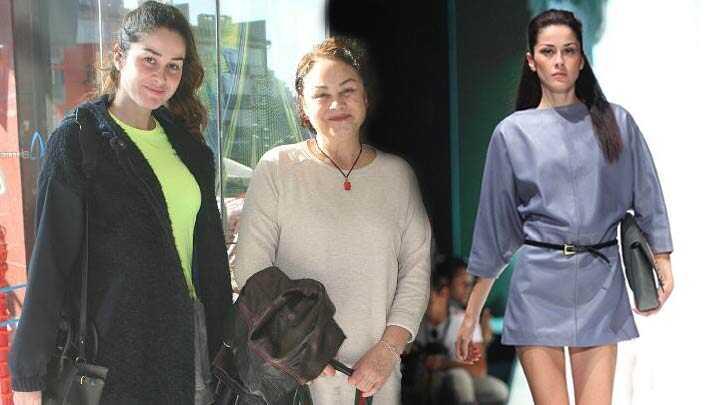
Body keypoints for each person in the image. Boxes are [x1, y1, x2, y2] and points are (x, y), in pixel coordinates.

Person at [9, 2, 232, 404]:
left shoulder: (190, 149)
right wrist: (28, 375)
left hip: (192, 340)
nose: (161, 77)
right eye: (150, 59)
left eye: (174, 66)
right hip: (116, 352)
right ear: (119, 56)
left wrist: (226, 341)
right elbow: (50, 262)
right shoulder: (79, 141)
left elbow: (208, 255)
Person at [455, 9, 674, 405]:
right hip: (539, 286)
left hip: (600, 282)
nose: (559, 61)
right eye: (548, 51)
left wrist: (662, 259)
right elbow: (495, 231)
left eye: (569, 51)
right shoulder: (512, 134)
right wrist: (471, 315)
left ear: (581, 59)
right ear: (531, 60)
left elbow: (647, 194)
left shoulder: (616, 123)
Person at [231, 36, 431, 404]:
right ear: (303, 107)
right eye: (321, 95)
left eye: (347, 90)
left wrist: (388, 350)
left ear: (365, 98)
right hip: (293, 379)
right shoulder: (277, 168)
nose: (336, 104)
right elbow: (251, 271)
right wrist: (303, 351)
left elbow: (416, 271)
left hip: (377, 381)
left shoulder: (398, 176)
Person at [416, 261, 508, 405]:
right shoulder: (418, 323)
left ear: (444, 293)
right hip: (429, 382)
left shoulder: (464, 320)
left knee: (493, 388)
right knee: (456, 378)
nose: (468, 289)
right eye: (462, 283)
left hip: (460, 380)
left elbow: (479, 369)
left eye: (470, 284)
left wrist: (443, 363)